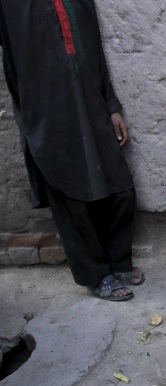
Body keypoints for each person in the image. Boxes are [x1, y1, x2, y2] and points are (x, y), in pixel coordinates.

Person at [0, 0, 143, 301]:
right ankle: (96, 275)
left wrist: (111, 106)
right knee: (70, 195)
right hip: (47, 111)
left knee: (121, 189)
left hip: (92, 104)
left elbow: (96, 54)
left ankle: (119, 262)